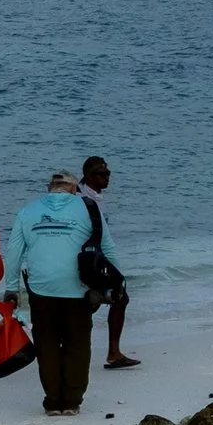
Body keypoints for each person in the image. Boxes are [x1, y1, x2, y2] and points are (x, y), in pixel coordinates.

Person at [2, 170, 111, 416]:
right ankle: (72, 400)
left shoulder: (28, 211)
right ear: (74, 189)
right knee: (78, 343)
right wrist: (115, 284)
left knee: (47, 344)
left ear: (49, 188)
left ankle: (53, 401)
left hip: (42, 288)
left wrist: (11, 287)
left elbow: (13, 254)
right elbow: (108, 247)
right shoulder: (90, 209)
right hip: (79, 288)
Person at [80, 156, 137, 368]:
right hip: (90, 260)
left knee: (96, 303)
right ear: (88, 176)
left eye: (108, 174)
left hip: (96, 258)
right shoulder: (84, 199)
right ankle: (111, 352)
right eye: (102, 174)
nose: (107, 178)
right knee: (115, 298)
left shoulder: (94, 198)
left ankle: (109, 352)